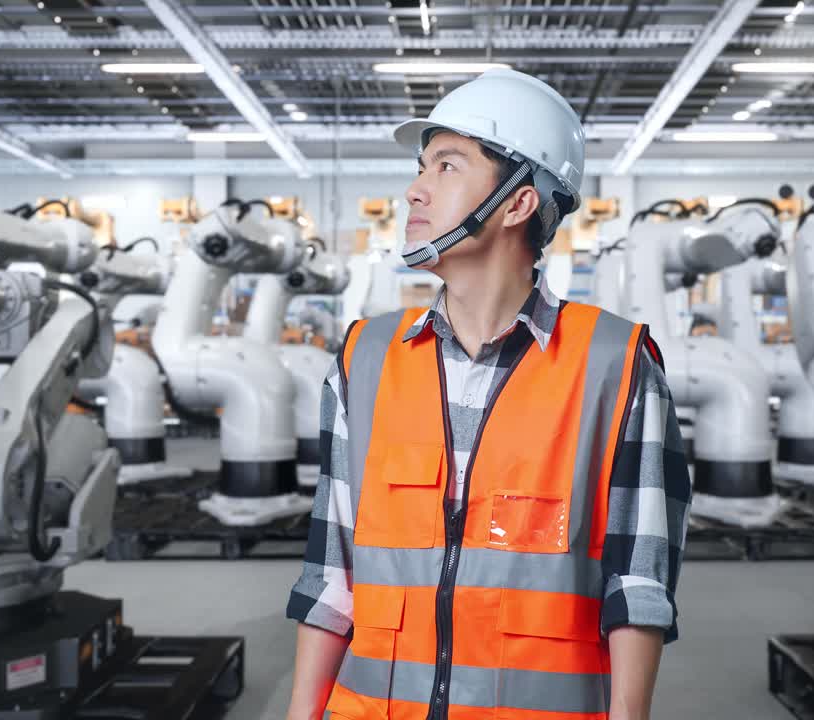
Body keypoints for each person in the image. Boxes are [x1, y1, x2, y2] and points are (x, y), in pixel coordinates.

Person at [285, 69, 691, 720]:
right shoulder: (364, 359)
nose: (415, 190)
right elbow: (330, 579)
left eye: (447, 166)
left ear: (517, 203)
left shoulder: (615, 367)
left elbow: (638, 589)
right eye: (421, 168)